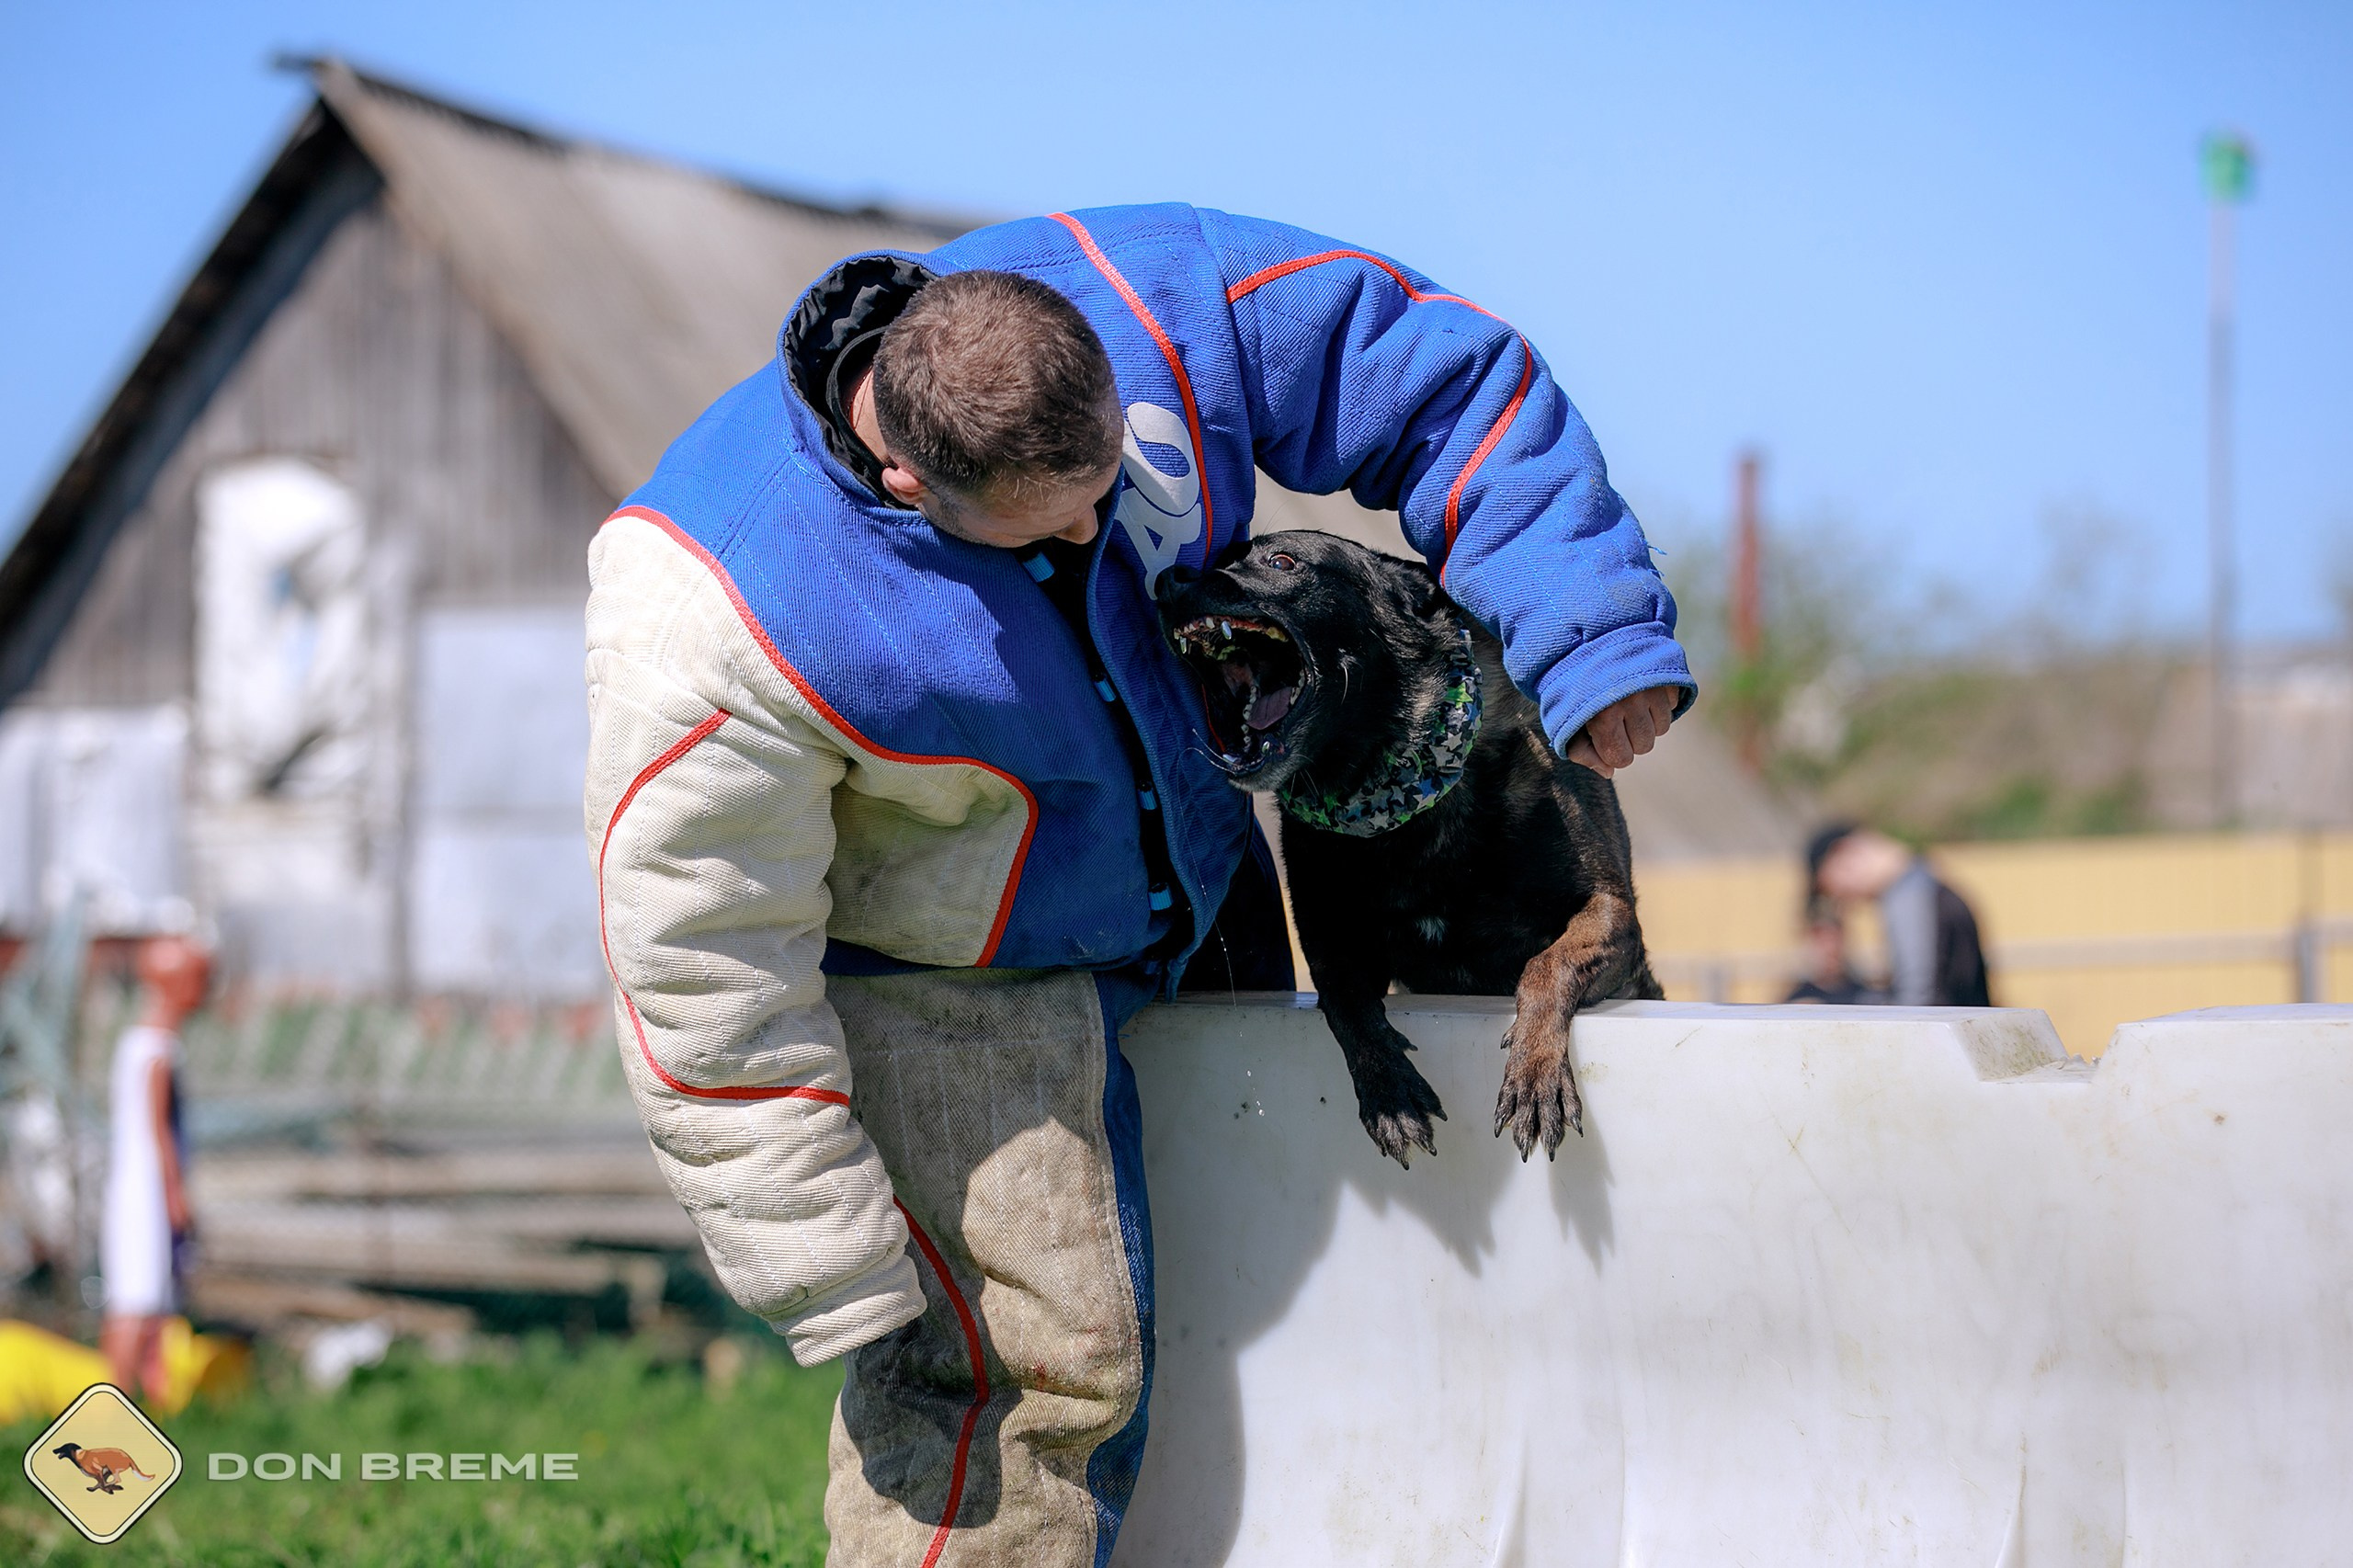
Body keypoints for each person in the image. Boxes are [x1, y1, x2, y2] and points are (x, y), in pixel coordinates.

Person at [585, 205, 1694, 1565]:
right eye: (1061, 521)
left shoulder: (1154, 299)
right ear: (909, 491)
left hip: (1210, 890)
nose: (1115, 528)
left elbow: (1436, 373)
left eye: (1118, 476)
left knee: (1262, 1304)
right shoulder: (716, 606)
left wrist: (1585, 618)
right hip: (962, 972)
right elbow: (697, 940)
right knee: (1033, 1375)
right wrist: (814, 1242)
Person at [100, 937, 206, 1403]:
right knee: (136, 1302)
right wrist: (176, 1193)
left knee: (154, 1304)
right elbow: (158, 1128)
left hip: (136, 1188)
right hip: (144, 1194)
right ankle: (115, 1401)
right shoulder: (156, 1049)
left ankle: (152, 1402)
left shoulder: (139, 1043)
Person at [1806, 824, 1992, 1006]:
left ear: (1843, 852)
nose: (1844, 899)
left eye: (1834, 888)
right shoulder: (1926, 886)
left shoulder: (1909, 897)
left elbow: (1915, 1001)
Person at [1782, 893, 1885, 1004]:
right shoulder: (1798, 1001)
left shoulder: (1868, 998)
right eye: (1821, 939)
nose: (1830, 948)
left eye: (1835, 938)